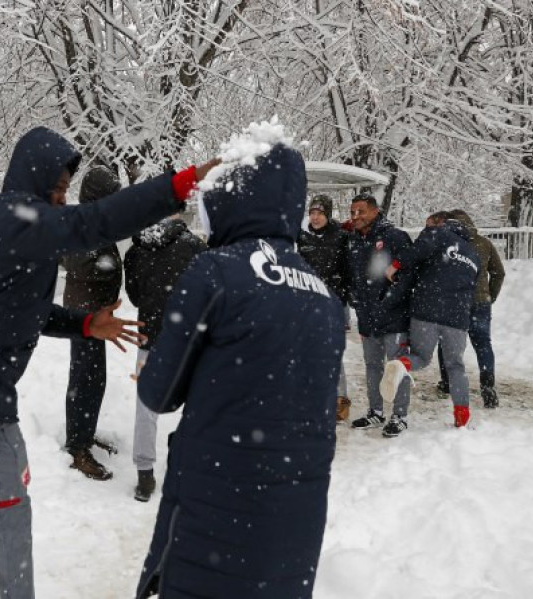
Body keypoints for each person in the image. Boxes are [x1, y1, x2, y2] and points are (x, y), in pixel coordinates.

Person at [0, 125, 216, 599]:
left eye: (63, 189)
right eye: (54, 187)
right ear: (30, 179)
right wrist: (176, 186)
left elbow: (19, 306)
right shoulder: (17, 214)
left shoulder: (7, 222)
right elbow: (94, 222)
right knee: (10, 517)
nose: (60, 197)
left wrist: (84, 325)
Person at [135, 143, 345, 598]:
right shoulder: (326, 299)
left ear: (232, 194)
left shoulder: (216, 271)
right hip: (293, 523)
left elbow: (159, 392)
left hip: (216, 510)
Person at [124, 215, 207, 502]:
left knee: (146, 406)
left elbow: (134, 295)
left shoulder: (137, 248)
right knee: (196, 403)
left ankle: (145, 474)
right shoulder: (195, 247)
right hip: (186, 337)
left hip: (149, 333)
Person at [380, 211, 480, 430]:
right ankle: (461, 415)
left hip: (426, 311)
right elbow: (474, 286)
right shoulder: (473, 254)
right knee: (455, 366)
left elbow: (417, 251)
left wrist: (395, 265)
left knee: (421, 357)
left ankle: (402, 363)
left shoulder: (439, 234)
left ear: (442, 224)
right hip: (457, 318)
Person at [61, 166, 124, 481]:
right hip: (83, 316)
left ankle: (84, 435)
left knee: (92, 378)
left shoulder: (93, 224)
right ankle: (77, 447)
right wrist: (109, 264)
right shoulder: (85, 226)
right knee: (86, 379)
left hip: (92, 314)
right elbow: (82, 262)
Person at [344, 193, 414, 438]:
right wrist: (356, 300)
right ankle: (376, 411)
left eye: (361, 211)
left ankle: (400, 415)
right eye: (352, 212)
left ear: (375, 211)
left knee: (396, 367)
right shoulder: (353, 240)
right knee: (372, 366)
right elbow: (353, 276)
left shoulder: (394, 237)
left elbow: (407, 275)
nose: (356, 217)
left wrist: (388, 300)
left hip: (393, 317)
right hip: (367, 317)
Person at [436, 208, 505, 408]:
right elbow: (499, 273)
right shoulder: (484, 243)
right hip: (480, 302)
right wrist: (489, 296)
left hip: (453, 303)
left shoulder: (446, 244)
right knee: (483, 343)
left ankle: (447, 382)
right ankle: (487, 385)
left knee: (447, 344)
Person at [296, 193, 351, 422]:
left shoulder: (341, 237)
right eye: (312, 212)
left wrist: (343, 293)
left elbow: (350, 269)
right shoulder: (301, 238)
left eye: (320, 213)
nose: (316, 217)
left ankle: (340, 400)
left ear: (328, 215)